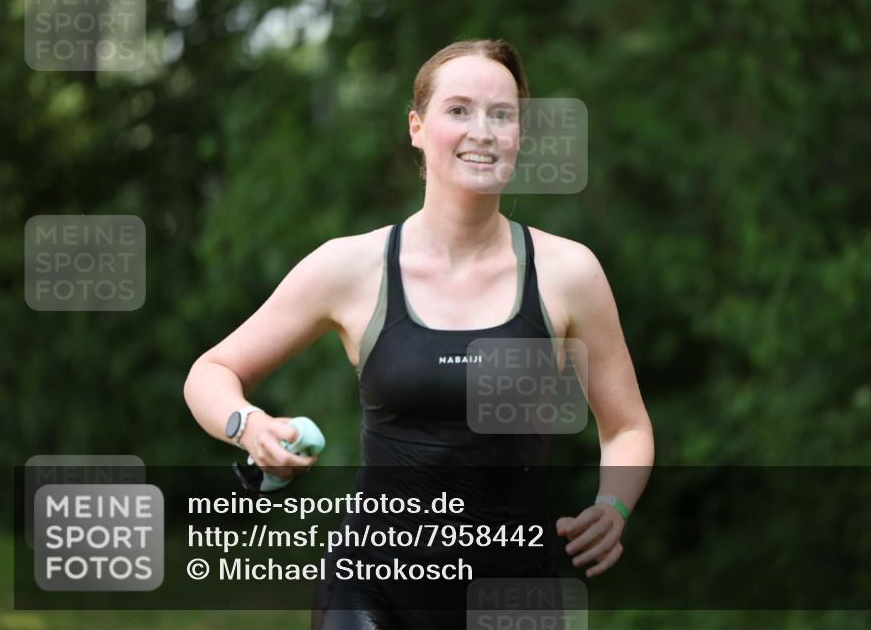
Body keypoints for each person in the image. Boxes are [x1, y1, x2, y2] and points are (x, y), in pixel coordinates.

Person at [184, 38, 654, 629]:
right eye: (458, 110)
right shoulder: (350, 267)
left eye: (501, 114)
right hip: (371, 590)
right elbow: (210, 373)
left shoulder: (569, 273)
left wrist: (614, 506)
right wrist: (249, 427)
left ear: (520, 135)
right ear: (417, 126)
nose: (482, 130)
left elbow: (628, 426)